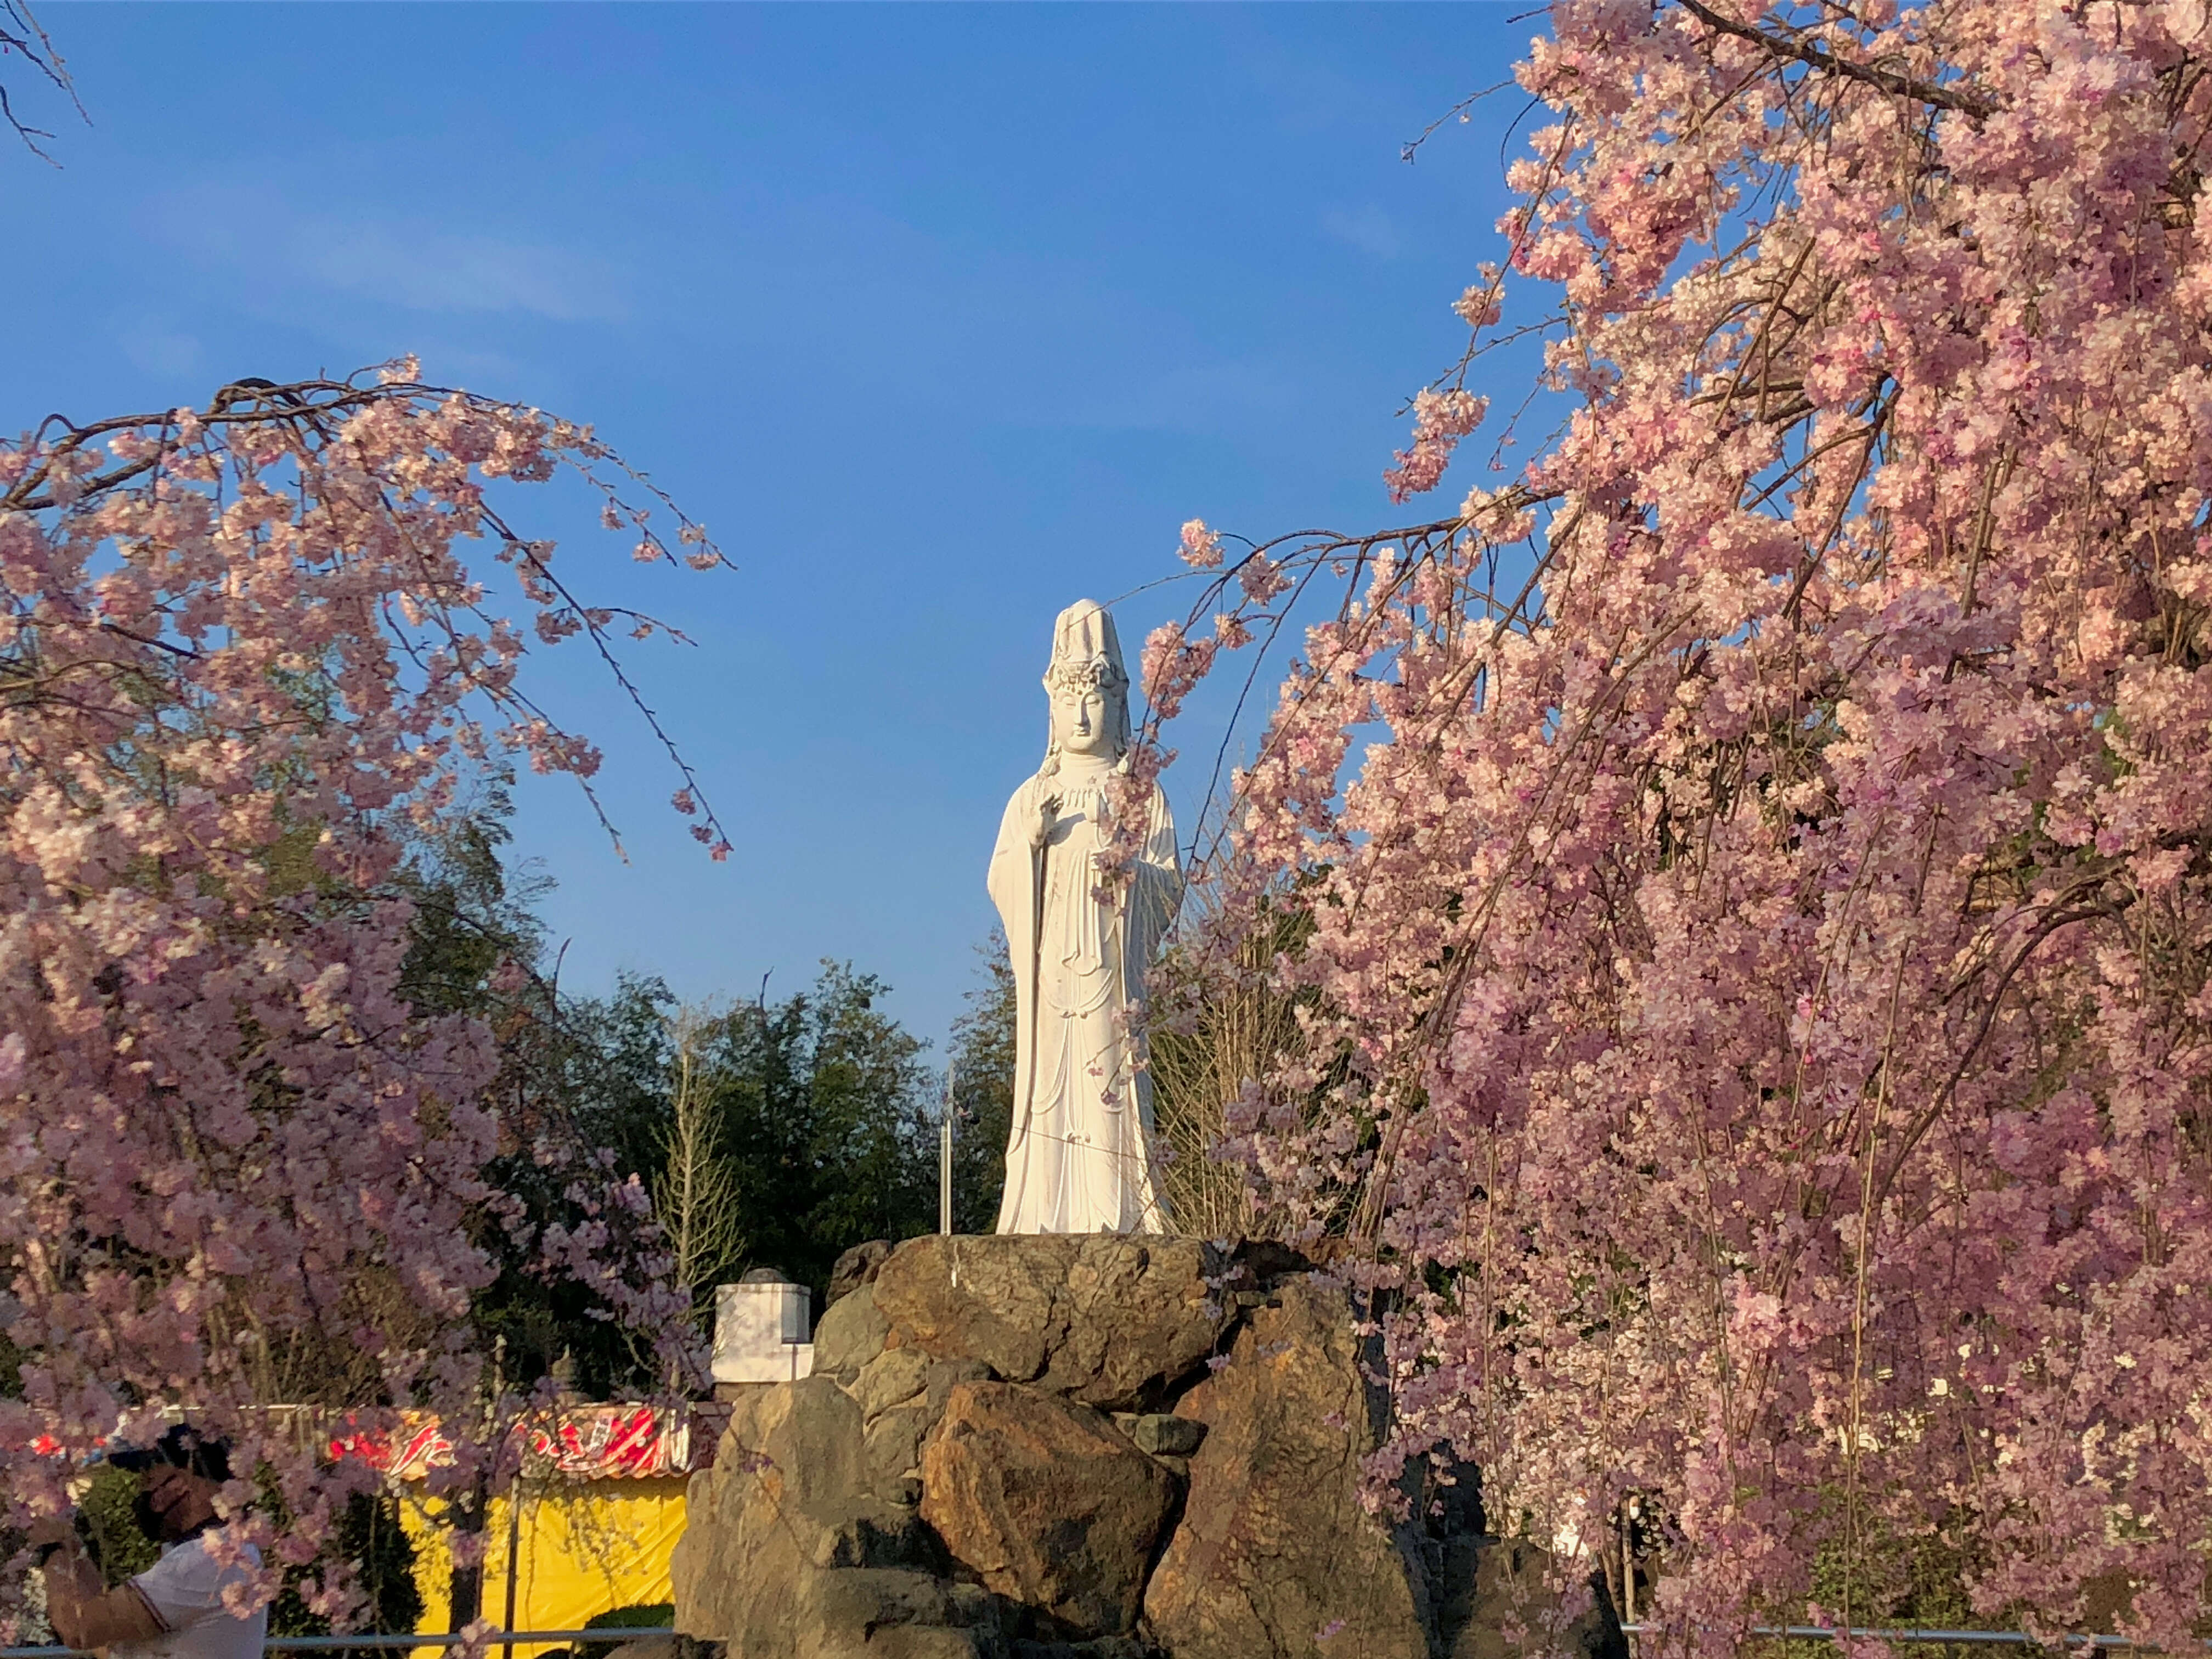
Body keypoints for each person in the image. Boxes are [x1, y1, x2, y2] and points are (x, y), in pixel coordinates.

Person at [987, 599, 1182, 1234]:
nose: (1080, 714)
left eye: (1093, 699)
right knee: (1050, 1082)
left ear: (1117, 704)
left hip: (1109, 966)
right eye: (1068, 700)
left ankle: (1118, 1206)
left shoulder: (1140, 794)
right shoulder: (1030, 796)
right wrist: (1034, 847)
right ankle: (1042, 1207)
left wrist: (1128, 873)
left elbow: (1169, 884)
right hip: (1050, 977)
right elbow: (1000, 880)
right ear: (1050, 707)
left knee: (1111, 1077)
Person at [30, 1425, 267, 1659]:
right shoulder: (221, 1551)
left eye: (150, 1479)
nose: (142, 1490)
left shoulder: (209, 1559)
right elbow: (109, 1635)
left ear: (180, 1483)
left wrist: (52, 1549)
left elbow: (80, 1629)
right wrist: (71, 1547)